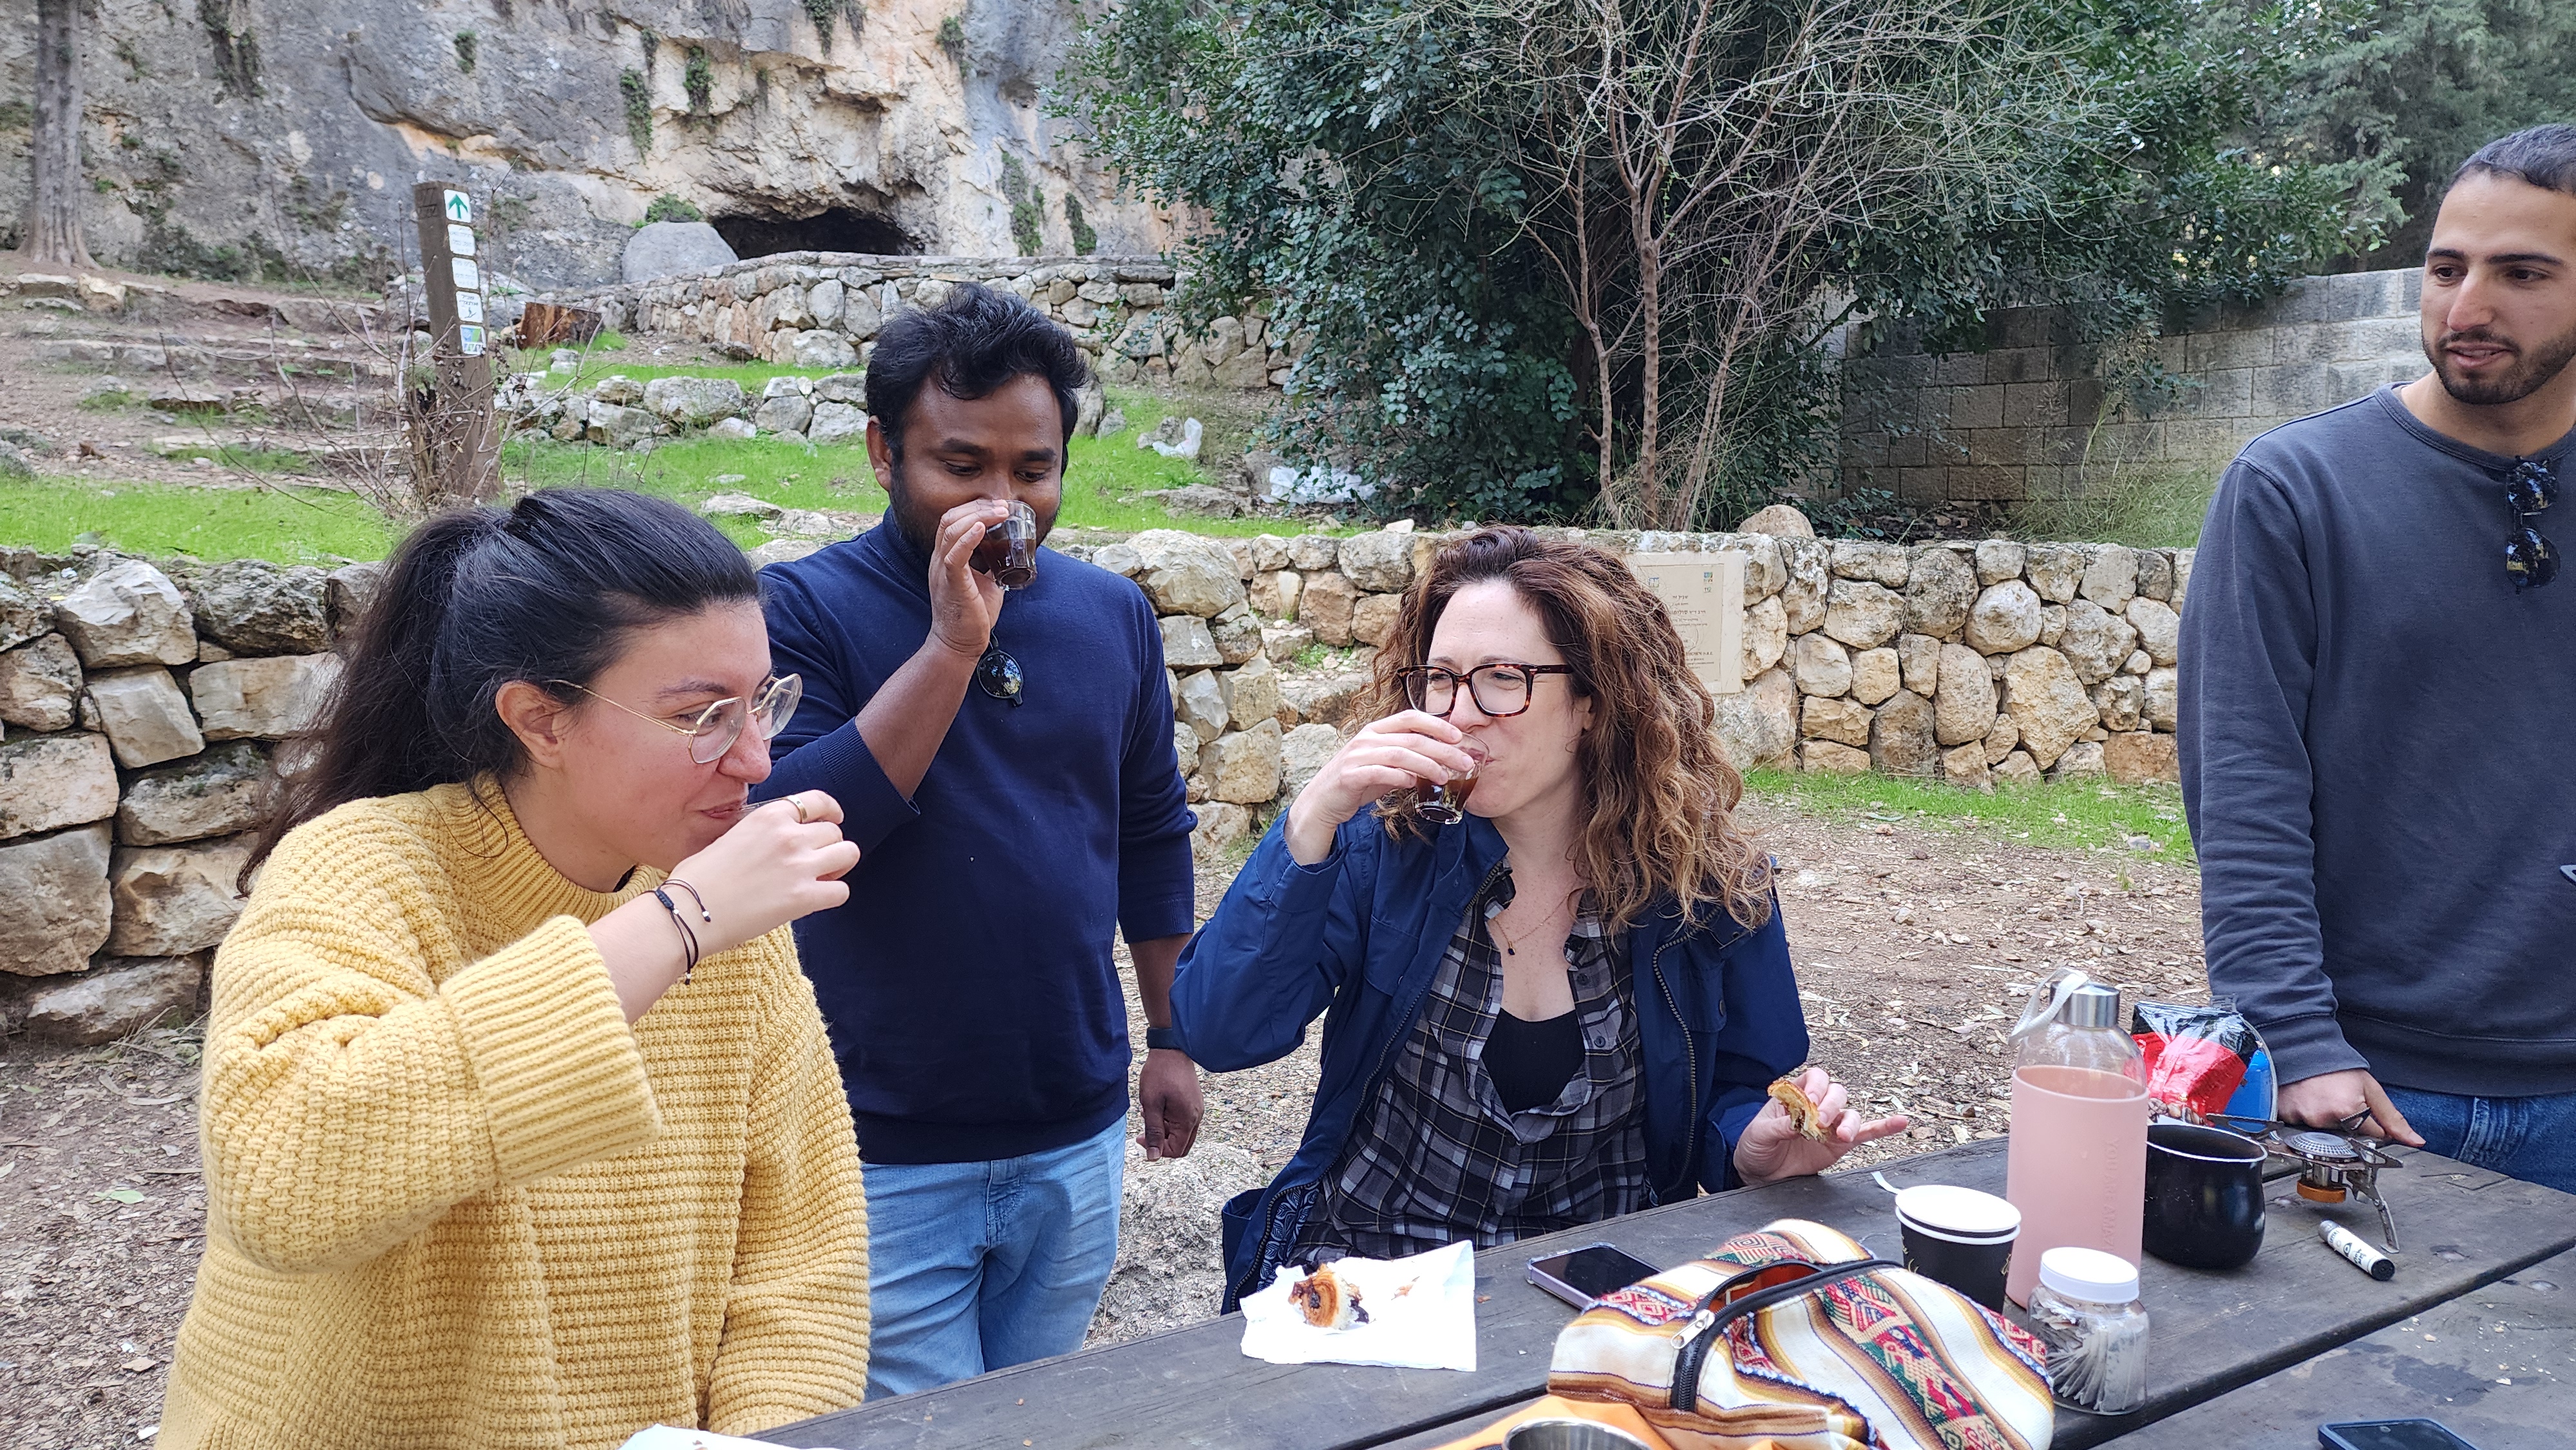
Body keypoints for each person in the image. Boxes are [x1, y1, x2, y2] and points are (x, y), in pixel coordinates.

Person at [160, 489, 871, 1449]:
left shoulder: (728, 920)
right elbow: (280, 1182)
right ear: (540, 720)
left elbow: (801, 1264)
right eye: (701, 715)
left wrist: (765, 1436)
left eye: (763, 704)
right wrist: (679, 925)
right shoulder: (362, 869)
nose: (753, 758)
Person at [1171, 527, 1906, 1310]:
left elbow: (1738, 1089)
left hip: (1598, 1281)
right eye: (1441, 679)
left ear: (1591, 700)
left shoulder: (1705, 885)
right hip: (1372, 1279)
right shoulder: (1380, 849)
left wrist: (1749, 1152)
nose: (1460, 713)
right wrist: (1312, 817)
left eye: (1502, 678)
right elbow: (1220, 1032)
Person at [756, 283, 1203, 1395]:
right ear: (884, 453)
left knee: (1035, 1412)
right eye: (962, 467)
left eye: (1033, 470)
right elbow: (796, 830)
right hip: (880, 1146)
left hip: (1074, 1131)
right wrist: (952, 647)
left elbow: (1152, 832)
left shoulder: (1111, 616)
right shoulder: (800, 610)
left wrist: (1173, 1035)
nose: (1004, 505)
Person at [2181, 124, 2576, 1191]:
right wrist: (2296, 1039)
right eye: (2447, 269)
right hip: (2369, 1088)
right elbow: (2246, 783)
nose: (2467, 307)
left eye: (2522, 273)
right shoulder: (2294, 489)